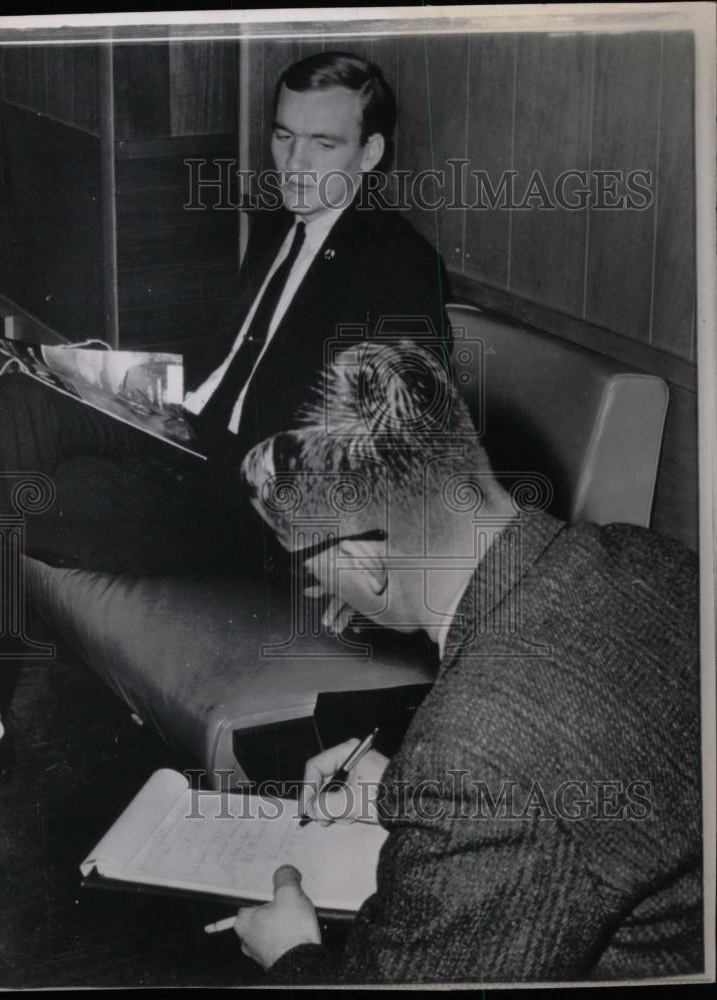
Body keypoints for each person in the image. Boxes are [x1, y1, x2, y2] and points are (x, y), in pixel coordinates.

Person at [0, 51, 451, 796]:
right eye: (282, 137)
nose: (294, 162)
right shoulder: (282, 227)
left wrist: (377, 556)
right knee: (12, 418)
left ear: (370, 152)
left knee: (8, 463)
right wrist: (123, 379)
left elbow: (408, 436)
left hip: (248, 508)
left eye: (322, 143)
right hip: (187, 442)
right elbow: (239, 367)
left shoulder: (397, 263)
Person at [234, 340, 703, 983]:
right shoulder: (658, 560)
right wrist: (429, 801)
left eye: (302, 562)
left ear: (367, 563)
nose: (310, 584)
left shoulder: (474, 755)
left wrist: (293, 954)